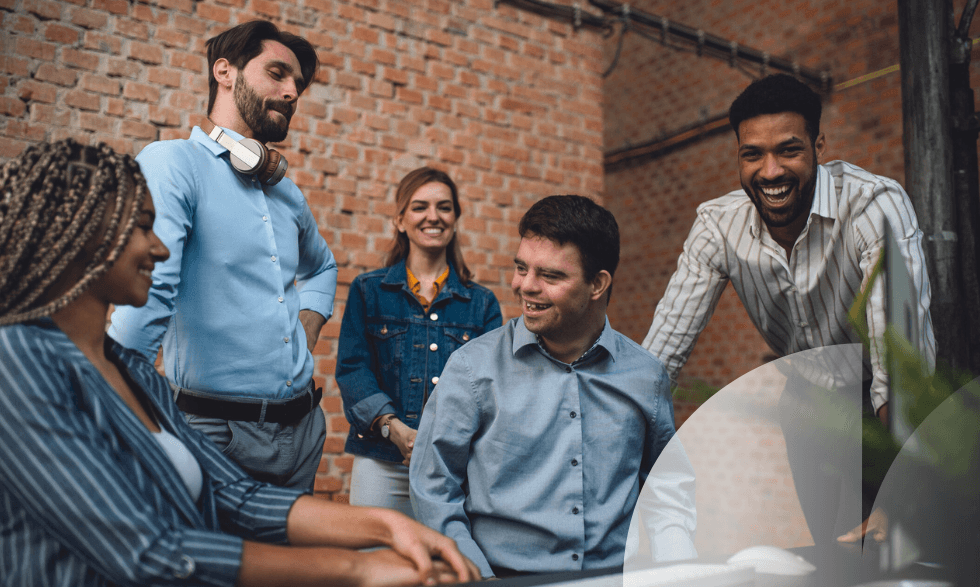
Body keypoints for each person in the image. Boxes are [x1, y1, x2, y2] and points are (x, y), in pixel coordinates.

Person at [0, 139, 479, 587]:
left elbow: (234, 494)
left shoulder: (135, 372)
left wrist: (389, 526)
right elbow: (147, 552)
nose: (162, 248)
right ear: (84, 234)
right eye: (145, 227)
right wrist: (356, 568)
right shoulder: (16, 364)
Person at [642, 74, 936, 543]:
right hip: (809, 401)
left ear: (819, 145)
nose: (771, 171)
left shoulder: (873, 205)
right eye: (752, 154)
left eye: (789, 150)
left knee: (906, 545)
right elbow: (659, 360)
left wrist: (900, 495)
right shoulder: (718, 226)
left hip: (891, 404)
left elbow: (898, 364)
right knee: (836, 552)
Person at [409, 195, 697, 578]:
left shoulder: (645, 375)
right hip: (503, 579)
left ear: (597, 283)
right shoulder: (471, 369)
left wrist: (676, 568)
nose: (525, 287)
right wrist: (481, 581)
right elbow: (434, 492)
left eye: (549, 275)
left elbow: (667, 488)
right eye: (521, 268)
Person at [109, 21, 336, 491]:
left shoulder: (288, 194)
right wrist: (114, 411)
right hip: (214, 434)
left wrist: (304, 334)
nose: (292, 91)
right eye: (277, 73)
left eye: (298, 84)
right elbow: (149, 294)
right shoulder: (172, 164)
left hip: (303, 431)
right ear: (224, 71)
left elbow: (323, 268)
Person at [336, 167, 501, 519]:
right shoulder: (368, 291)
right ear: (400, 220)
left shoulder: (482, 303)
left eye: (444, 207)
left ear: (455, 218)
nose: (433, 216)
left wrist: (442, 440)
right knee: (377, 564)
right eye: (420, 207)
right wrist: (393, 428)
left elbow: (491, 388)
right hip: (381, 461)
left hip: (453, 468)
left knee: (449, 567)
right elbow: (353, 370)